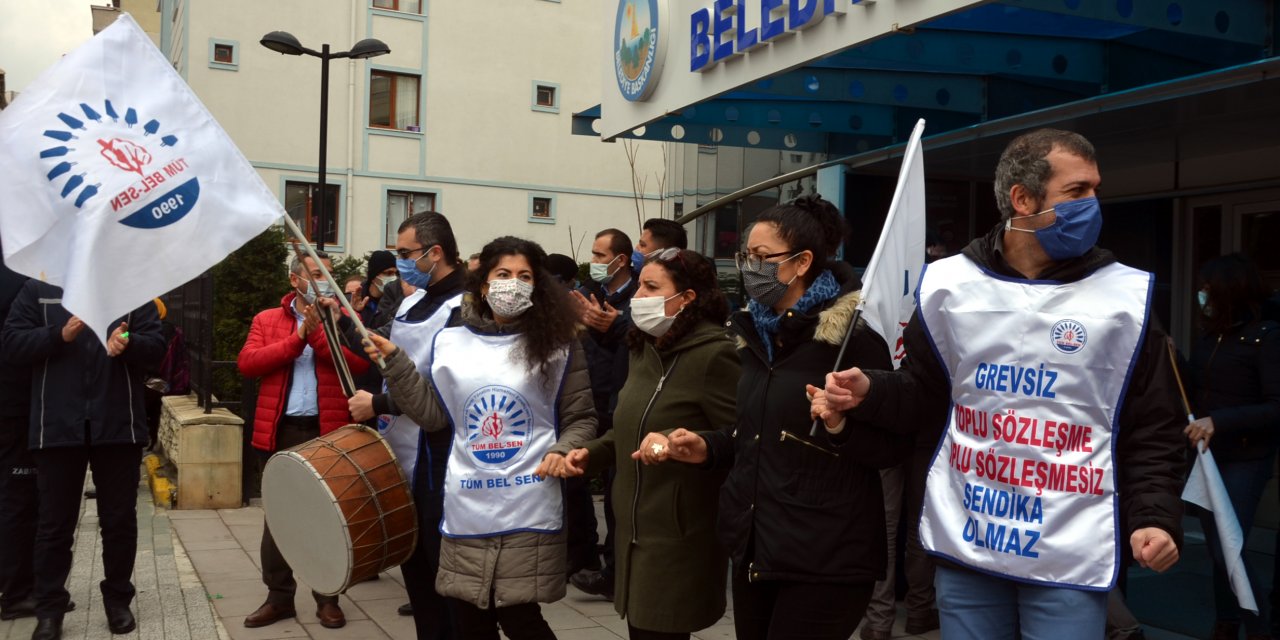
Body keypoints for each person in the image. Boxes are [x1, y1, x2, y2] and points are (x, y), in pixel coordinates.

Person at [813, 129, 1187, 639]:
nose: (1093, 204)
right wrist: (872, 391)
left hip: (1068, 554)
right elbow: (926, 394)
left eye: (1095, 189)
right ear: (1022, 199)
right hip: (969, 544)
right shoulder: (947, 285)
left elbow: (1155, 425)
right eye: (1076, 191)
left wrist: (1154, 517)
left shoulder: (1125, 298)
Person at [663, 195, 906, 640]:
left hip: (825, 557)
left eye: (761, 257)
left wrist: (839, 425)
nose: (748, 268)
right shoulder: (753, 337)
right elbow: (754, 433)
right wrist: (708, 447)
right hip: (758, 547)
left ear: (801, 262)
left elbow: (891, 447)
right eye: (745, 257)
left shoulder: (851, 341)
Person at [366, 236, 597, 640]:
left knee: (520, 617)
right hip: (467, 504)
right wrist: (396, 364)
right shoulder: (451, 341)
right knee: (470, 618)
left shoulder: (559, 345)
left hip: (528, 503)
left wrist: (563, 450)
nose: (513, 284)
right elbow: (433, 416)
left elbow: (581, 417)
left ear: (537, 287)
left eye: (525, 276)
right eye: (503, 274)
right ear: (484, 283)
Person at [557, 247, 738, 640]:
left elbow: (740, 438)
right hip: (633, 532)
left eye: (651, 287)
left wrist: (691, 445)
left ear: (687, 298)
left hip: (678, 536)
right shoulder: (644, 348)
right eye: (639, 286)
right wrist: (590, 454)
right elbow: (629, 429)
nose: (638, 297)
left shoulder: (715, 355)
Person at [2, 281, 165, 640]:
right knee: (54, 525)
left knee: (119, 521)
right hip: (56, 425)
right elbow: (12, 343)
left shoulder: (129, 287)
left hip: (118, 425)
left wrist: (129, 343)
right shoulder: (39, 289)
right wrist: (58, 335)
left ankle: (118, 600)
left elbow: (157, 346)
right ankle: (50, 610)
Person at [345, 211, 468, 636]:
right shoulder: (414, 301)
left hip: (441, 458)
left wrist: (379, 402)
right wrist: (343, 320)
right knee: (416, 572)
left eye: (405, 253)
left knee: (445, 576)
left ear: (435, 252)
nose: (399, 263)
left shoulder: (465, 307)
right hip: (400, 449)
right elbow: (380, 348)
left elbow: (447, 392)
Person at [236, 250, 370, 630]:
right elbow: (249, 363)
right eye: (315, 273)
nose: (323, 280)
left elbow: (361, 365)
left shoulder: (345, 318)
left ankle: (328, 598)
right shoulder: (267, 319)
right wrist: (296, 338)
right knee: (278, 518)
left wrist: (322, 332)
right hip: (281, 431)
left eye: (327, 273)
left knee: (328, 517)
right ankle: (278, 598)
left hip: (326, 431)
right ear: (294, 280)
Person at [1186, 254, 1279, 640]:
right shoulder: (1212, 337)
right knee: (1217, 545)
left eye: (1208, 289)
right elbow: (1196, 387)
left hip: (1246, 456)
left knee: (1230, 546)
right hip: (1210, 457)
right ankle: (1226, 622)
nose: (1202, 295)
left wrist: (1219, 421)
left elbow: (1275, 406)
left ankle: (1260, 629)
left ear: (1229, 290)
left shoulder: (1267, 337)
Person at [0, 259, 77, 627]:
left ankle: (28, 586)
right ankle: (17, 592)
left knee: (26, 499)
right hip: (16, 402)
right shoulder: (17, 272)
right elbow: (15, 339)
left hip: (24, 400)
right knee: (20, 499)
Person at [565, 229, 637, 595]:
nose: (593, 262)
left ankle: (615, 571)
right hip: (592, 400)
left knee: (616, 492)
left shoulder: (638, 299)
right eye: (592, 254)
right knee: (582, 480)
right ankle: (591, 559)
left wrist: (614, 326)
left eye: (599, 255)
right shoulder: (592, 294)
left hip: (620, 401)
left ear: (620, 260)